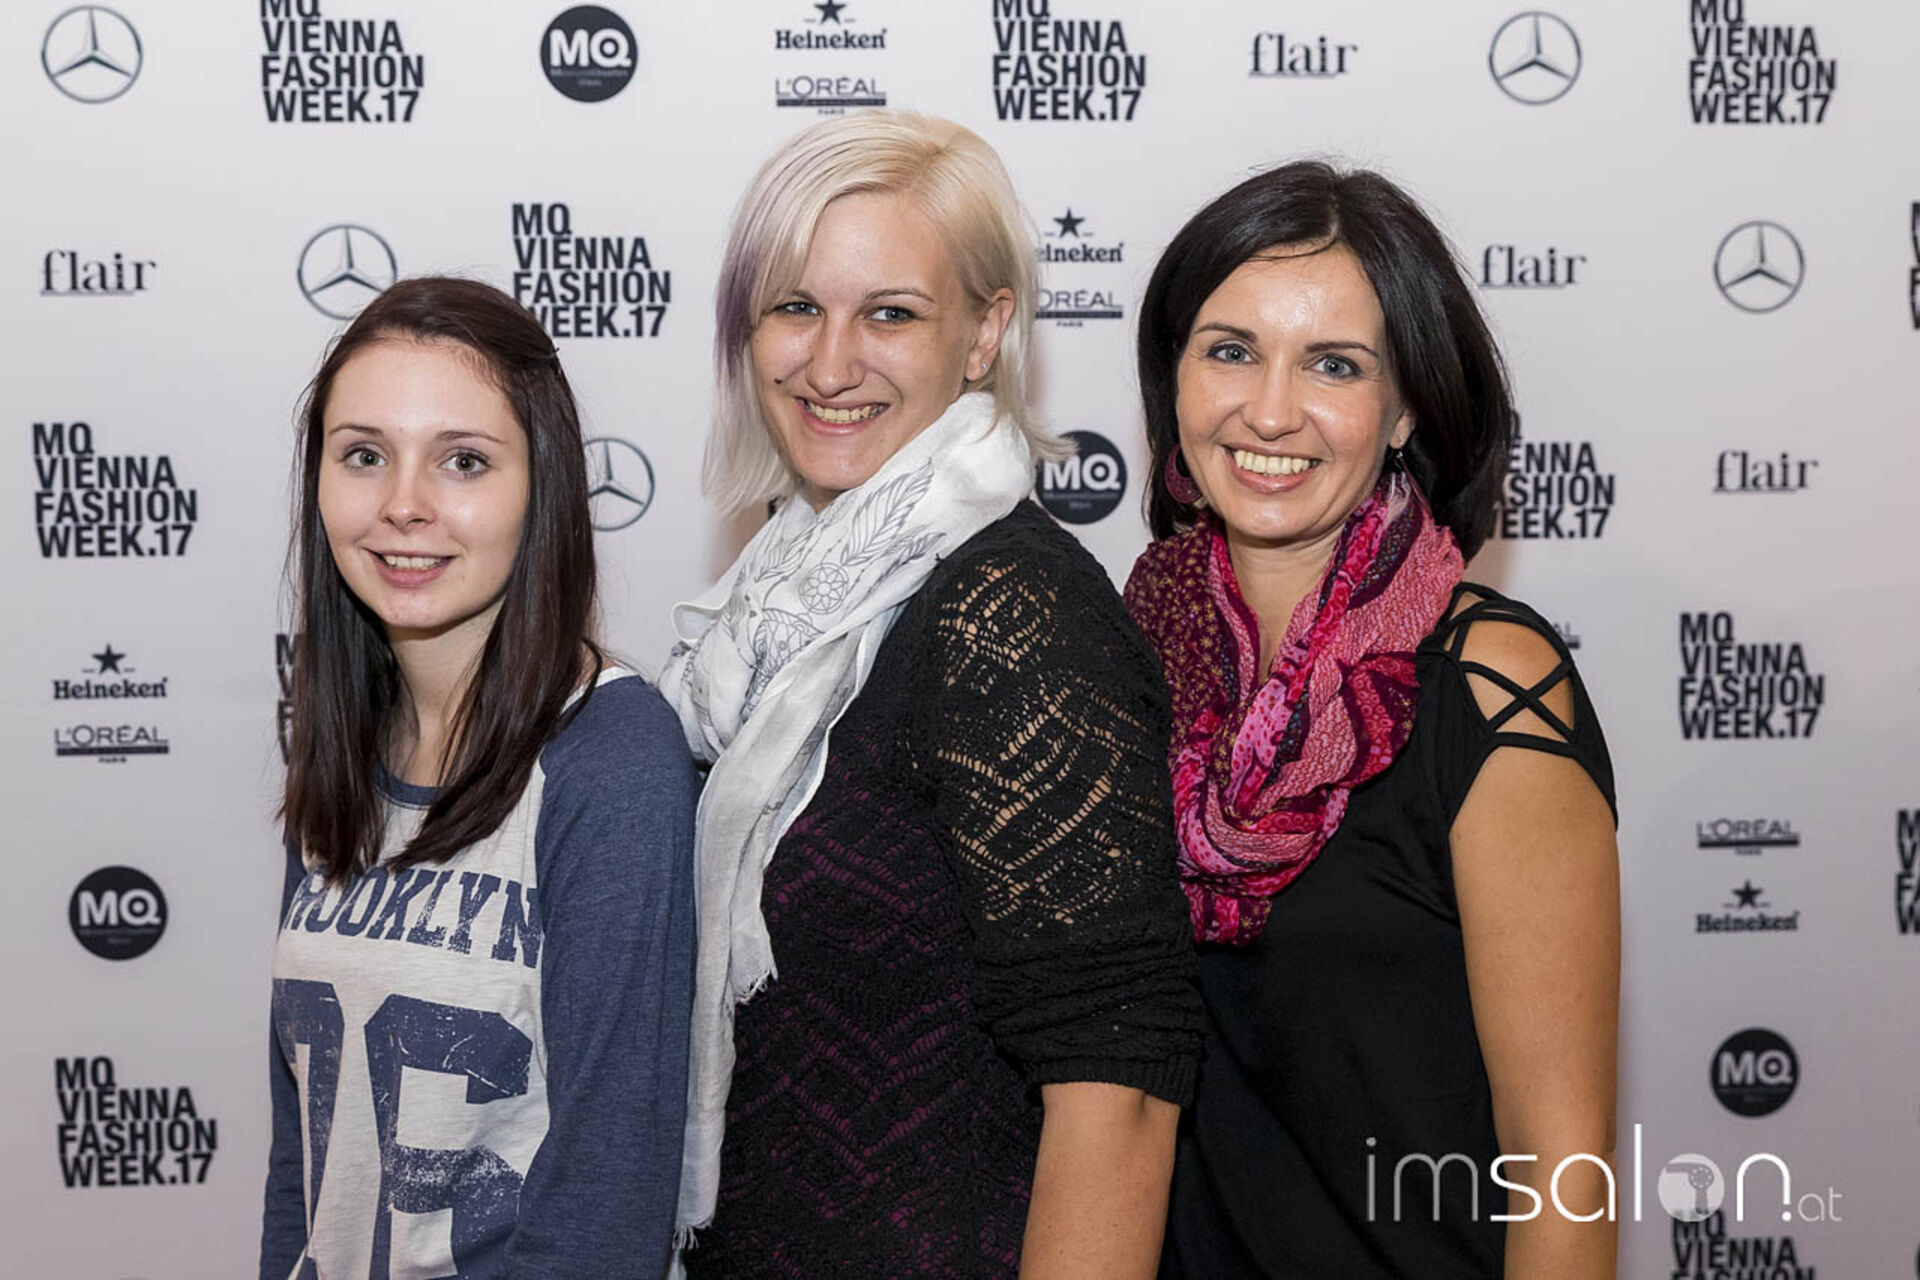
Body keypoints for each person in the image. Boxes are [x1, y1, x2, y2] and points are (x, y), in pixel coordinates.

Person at [662, 111, 1203, 1277]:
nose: (830, 363)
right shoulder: (775, 605)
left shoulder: (1010, 609)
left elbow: (1119, 1082)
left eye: (891, 314)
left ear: (984, 332)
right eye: (795, 306)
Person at [1125, 163, 1620, 1279]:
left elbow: (1564, 1160)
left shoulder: (1488, 685)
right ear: (1174, 378)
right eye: (1231, 350)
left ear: (1405, 411)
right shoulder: (1127, 668)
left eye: (1334, 364)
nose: (1269, 411)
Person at [260, 277, 698, 1280]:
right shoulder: (342, 746)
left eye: (463, 460)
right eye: (363, 454)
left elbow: (605, 1209)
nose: (403, 504)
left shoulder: (611, 757)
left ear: (542, 488)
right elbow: (306, 1170)